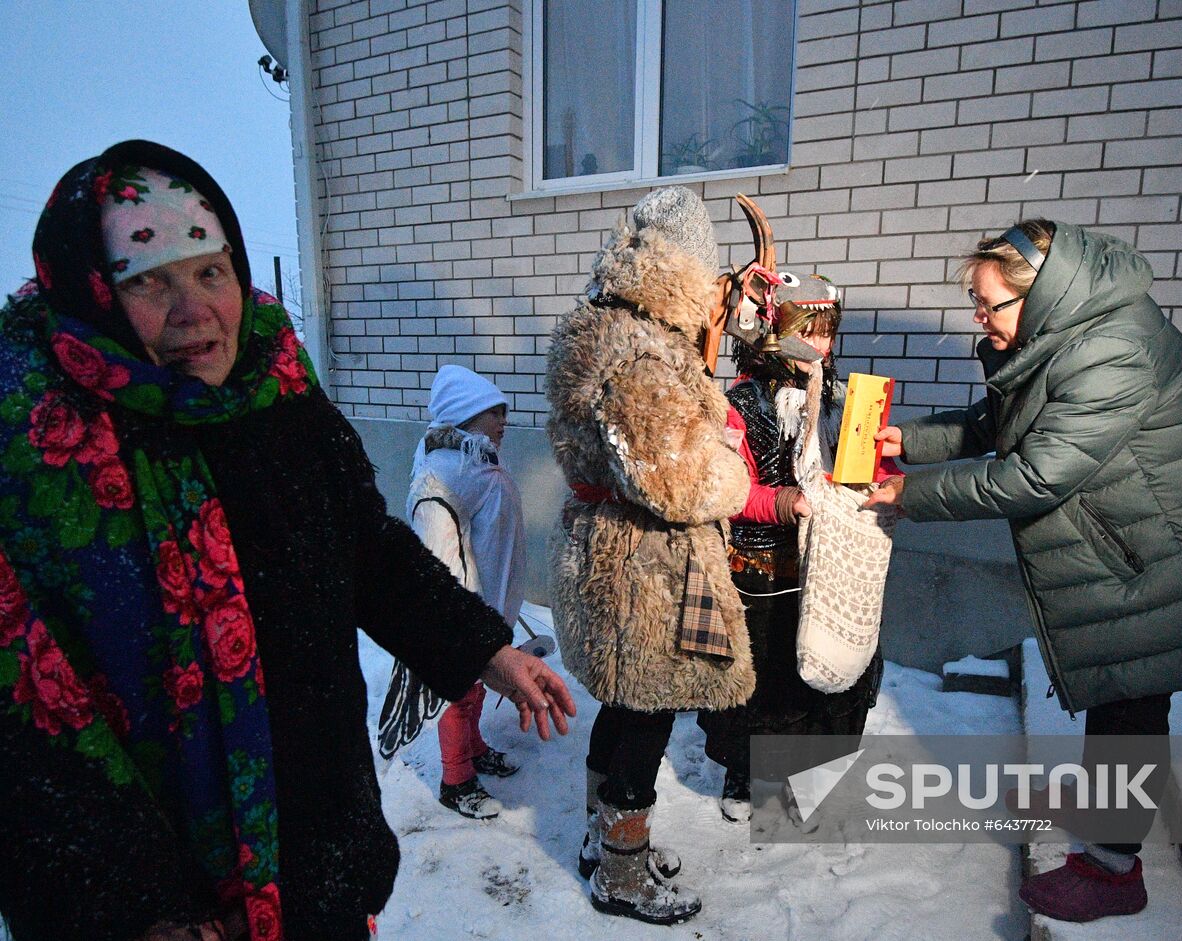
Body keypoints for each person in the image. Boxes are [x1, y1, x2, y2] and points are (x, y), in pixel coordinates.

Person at [0, 140, 574, 941]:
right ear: (93, 294)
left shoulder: (281, 398)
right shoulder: (36, 457)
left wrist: (487, 649)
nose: (193, 308)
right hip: (171, 909)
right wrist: (131, 910)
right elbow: (26, 730)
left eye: (209, 271)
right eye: (148, 281)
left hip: (317, 861)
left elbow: (367, 550)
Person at [864, 219, 1182, 923]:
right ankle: (1100, 806)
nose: (977, 316)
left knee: (1132, 701)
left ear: (1041, 296)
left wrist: (914, 494)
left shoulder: (1112, 349)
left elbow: (1034, 473)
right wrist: (916, 440)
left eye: (988, 304)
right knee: (1120, 694)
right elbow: (1005, 421)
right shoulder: (1066, 336)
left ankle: (1115, 870)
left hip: (1171, 556)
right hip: (1136, 542)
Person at [546, 186, 755, 925]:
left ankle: (603, 840)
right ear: (685, 271)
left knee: (624, 704)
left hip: (620, 555)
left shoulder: (610, 328)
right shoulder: (640, 350)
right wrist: (731, 465)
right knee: (645, 715)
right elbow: (676, 476)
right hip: (647, 571)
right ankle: (623, 874)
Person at [699, 272, 898, 825]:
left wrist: (885, 479)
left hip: (828, 566)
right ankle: (745, 770)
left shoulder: (846, 399)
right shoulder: (737, 403)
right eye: (810, 331)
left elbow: (867, 467)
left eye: (829, 332)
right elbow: (728, 492)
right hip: (761, 570)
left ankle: (814, 776)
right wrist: (785, 503)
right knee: (762, 683)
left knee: (824, 681)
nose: (822, 345)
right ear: (776, 330)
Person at [376, 365, 527, 820]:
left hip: (490, 606)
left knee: (477, 684)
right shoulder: (440, 477)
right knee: (457, 691)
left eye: (504, 413)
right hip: (463, 608)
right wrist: (451, 620)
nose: (503, 423)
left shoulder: (475, 464)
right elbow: (434, 553)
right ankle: (455, 779)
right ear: (466, 415)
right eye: (494, 414)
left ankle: (475, 749)